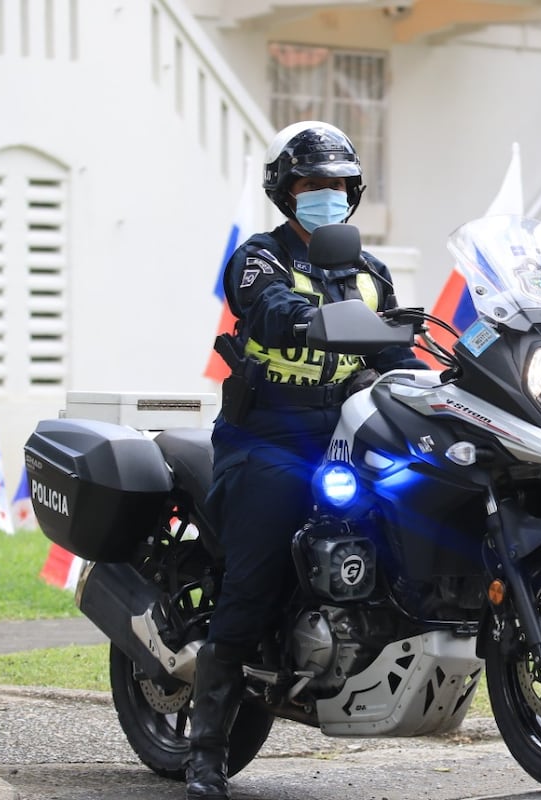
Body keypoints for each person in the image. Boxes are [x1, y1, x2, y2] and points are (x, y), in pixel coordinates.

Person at [185, 121, 425, 800]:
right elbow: (264, 307)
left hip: (346, 434)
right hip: (268, 438)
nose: (327, 195)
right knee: (254, 576)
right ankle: (206, 752)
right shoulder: (260, 257)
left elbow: (395, 353)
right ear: (285, 192)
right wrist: (297, 315)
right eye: (312, 184)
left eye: (338, 185)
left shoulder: (369, 273)